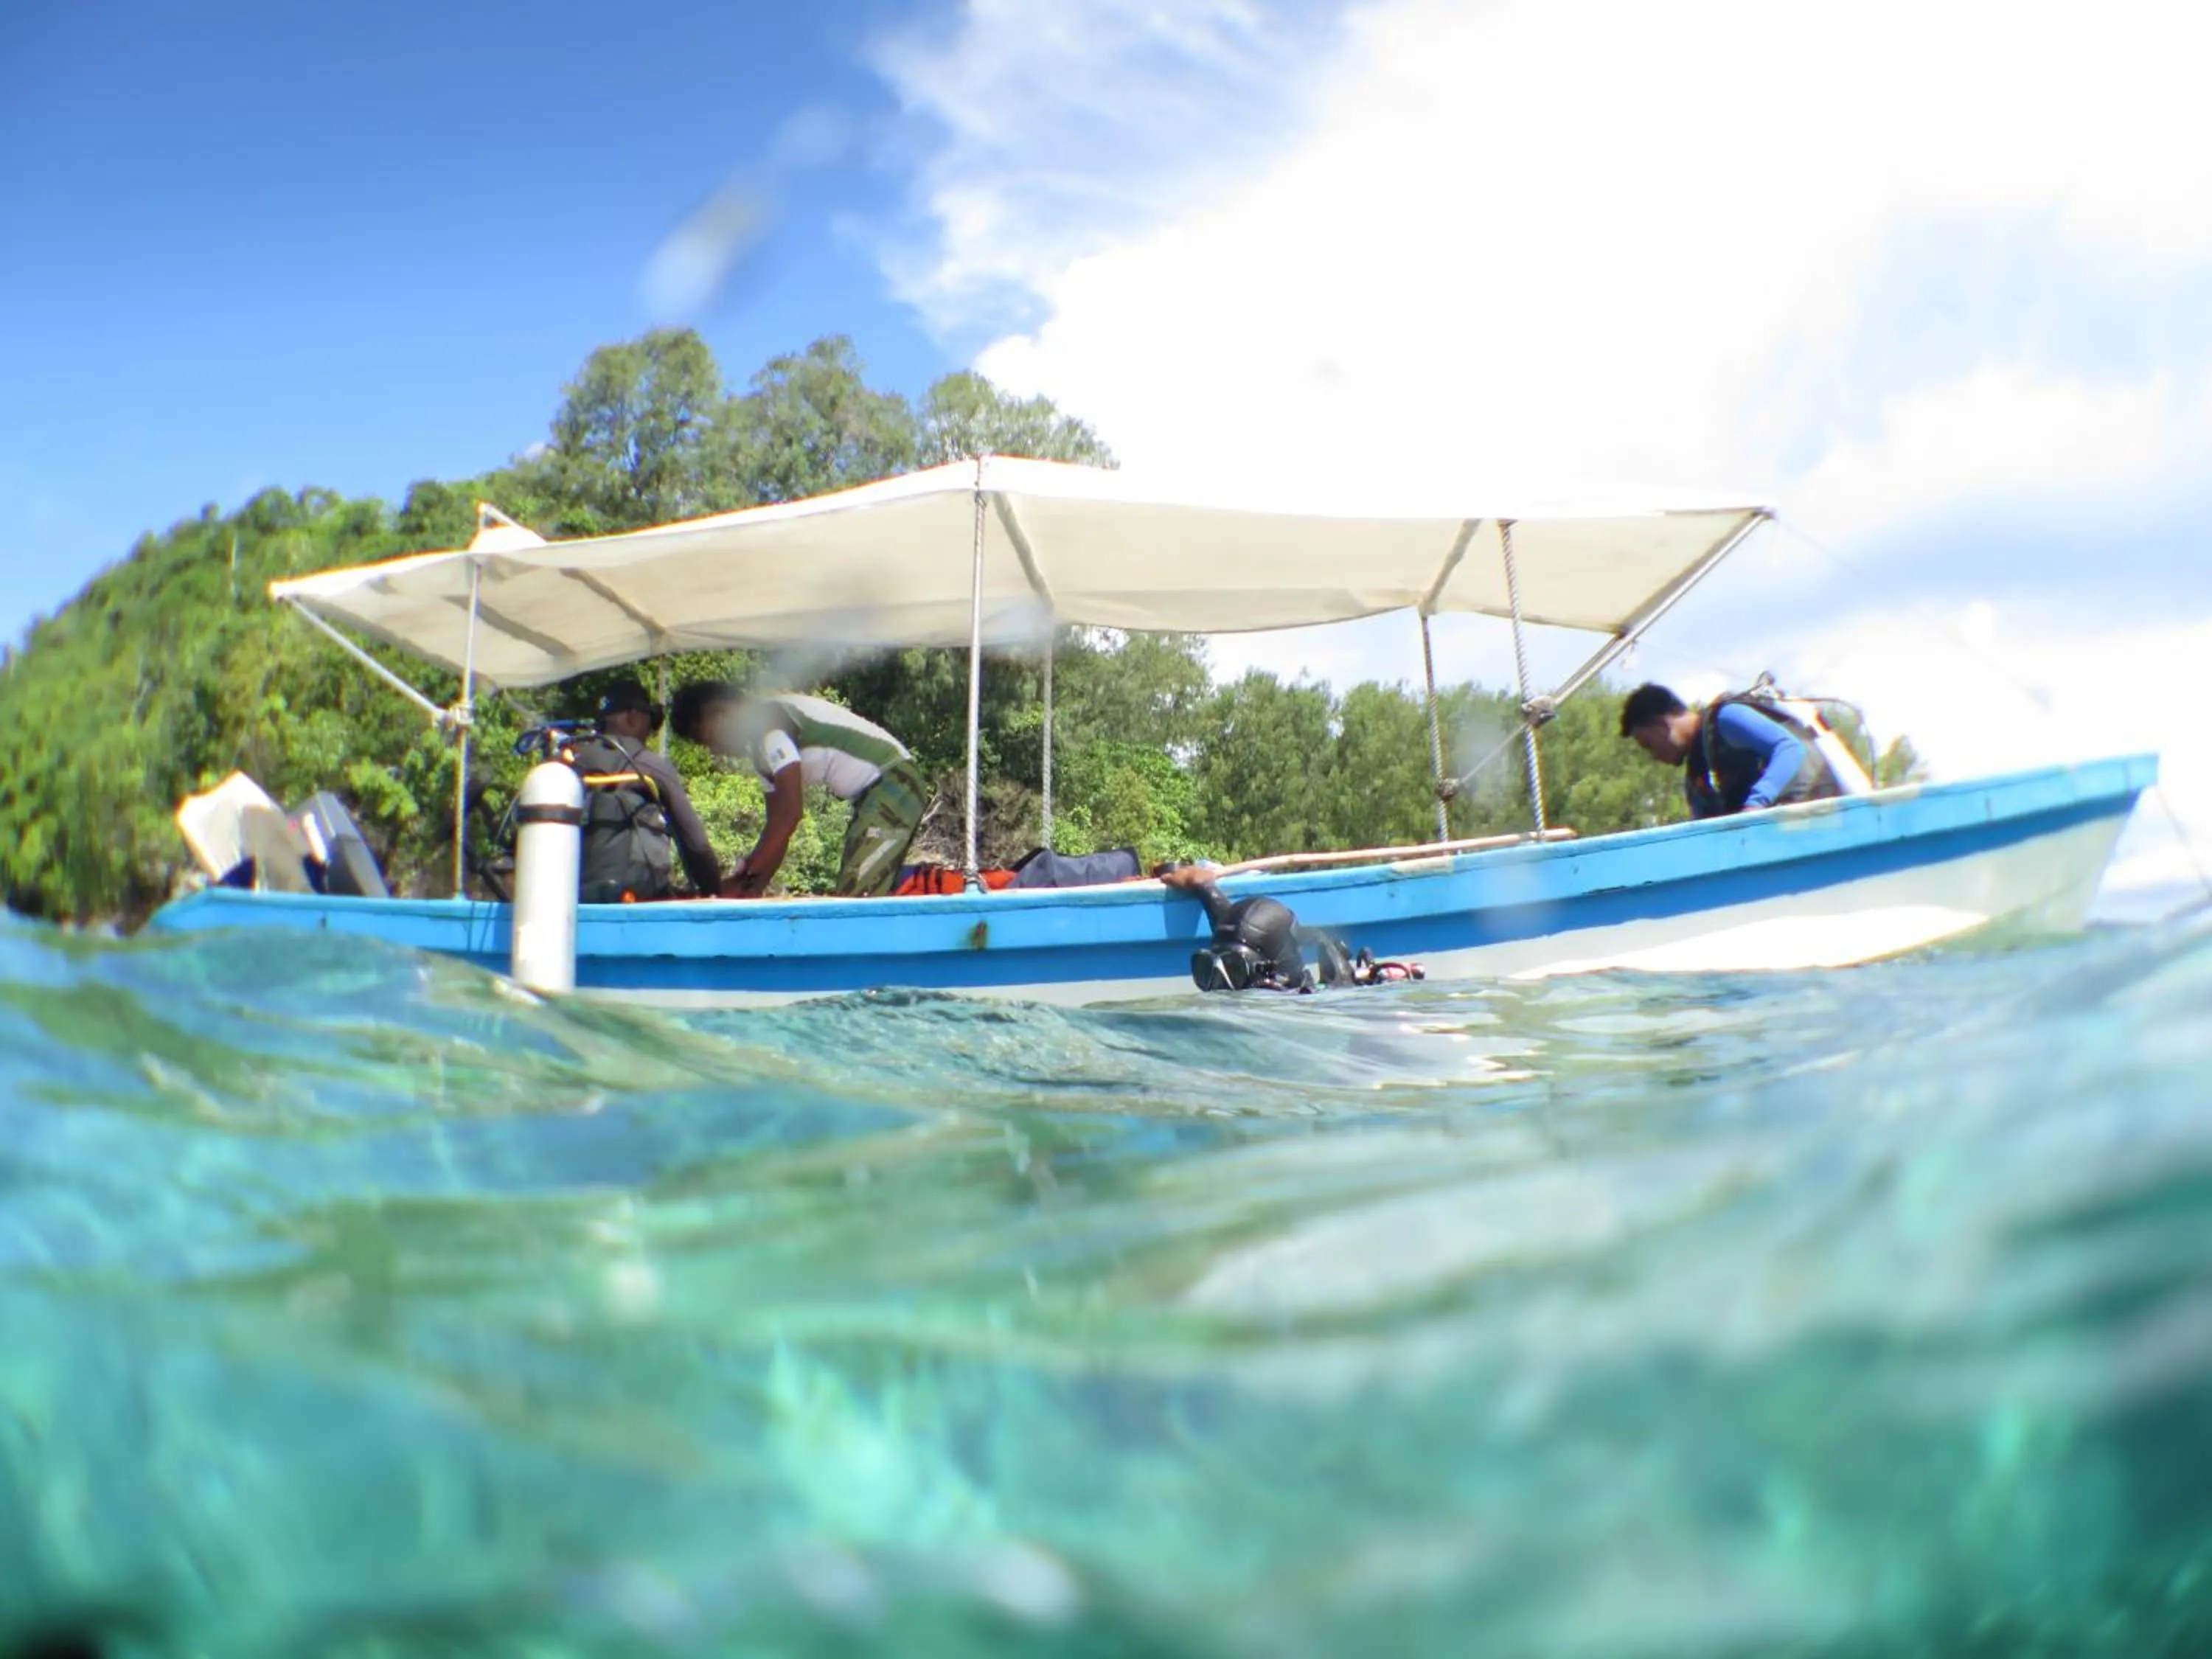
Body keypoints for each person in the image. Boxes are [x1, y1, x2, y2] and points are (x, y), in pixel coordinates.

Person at [669, 682, 928, 898]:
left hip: (894, 780)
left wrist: (747, 874)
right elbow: (777, 829)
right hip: (874, 791)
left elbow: (791, 812)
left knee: (860, 893)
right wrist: (751, 888)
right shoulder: (761, 757)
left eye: (706, 738)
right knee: (862, 883)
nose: (713, 750)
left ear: (720, 714)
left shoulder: (768, 725)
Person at [570, 678, 723, 900]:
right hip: (638, 900)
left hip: (570, 899)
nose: (650, 733)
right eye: (650, 722)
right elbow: (697, 845)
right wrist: (713, 891)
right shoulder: (648, 765)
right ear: (633, 717)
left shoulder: (567, 764)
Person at [1159, 864, 1423, 992]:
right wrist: (1189, 877)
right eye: (1207, 970)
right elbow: (1204, 882)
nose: (1219, 986)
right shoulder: (1231, 942)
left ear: (1270, 974)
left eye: (1235, 971)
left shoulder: (1319, 1007)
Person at [1618, 681, 1843, 820]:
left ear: (1662, 726)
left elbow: (1789, 747)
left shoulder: (1726, 719)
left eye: (1648, 744)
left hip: (1818, 820)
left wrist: (1756, 804)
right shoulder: (1697, 776)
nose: (1654, 756)